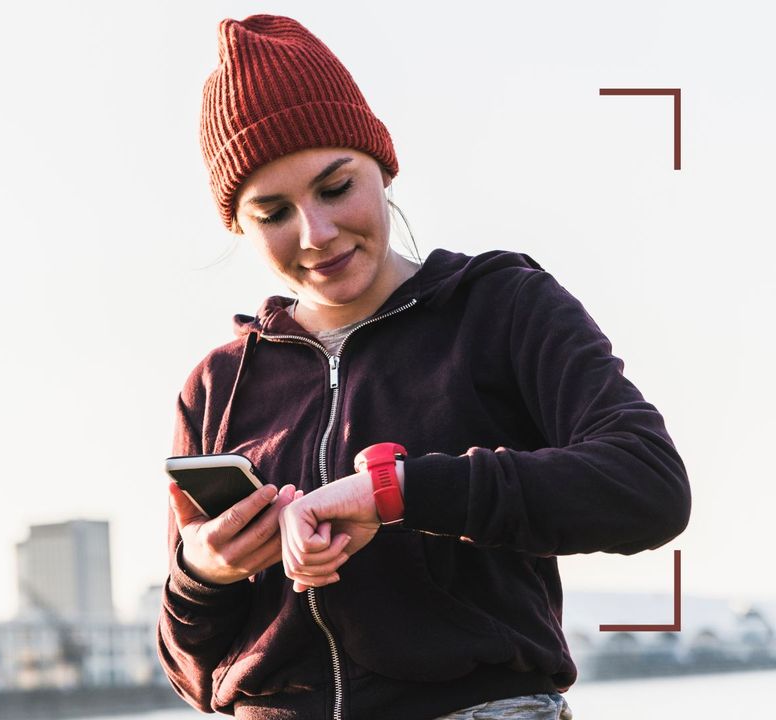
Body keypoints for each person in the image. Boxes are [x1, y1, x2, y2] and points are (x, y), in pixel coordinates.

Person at [157, 14, 691, 720]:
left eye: (336, 186)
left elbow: (648, 486)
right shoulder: (217, 386)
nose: (316, 234)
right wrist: (204, 573)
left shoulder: (501, 306)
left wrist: (398, 493)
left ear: (382, 165)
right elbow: (192, 675)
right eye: (273, 211)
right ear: (239, 226)